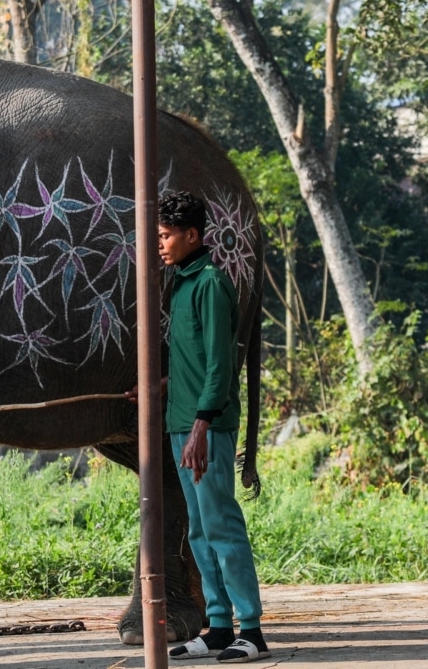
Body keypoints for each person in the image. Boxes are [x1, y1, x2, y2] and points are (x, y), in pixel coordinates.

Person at [128, 190, 269, 663]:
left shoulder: (210, 283)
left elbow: (222, 364)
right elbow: (195, 358)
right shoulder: (182, 283)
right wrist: (160, 385)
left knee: (222, 524)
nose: (160, 246)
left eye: (166, 237)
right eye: (157, 236)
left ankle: (252, 629)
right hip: (180, 421)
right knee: (199, 531)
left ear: (192, 235)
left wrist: (203, 424)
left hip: (206, 426)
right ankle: (219, 626)